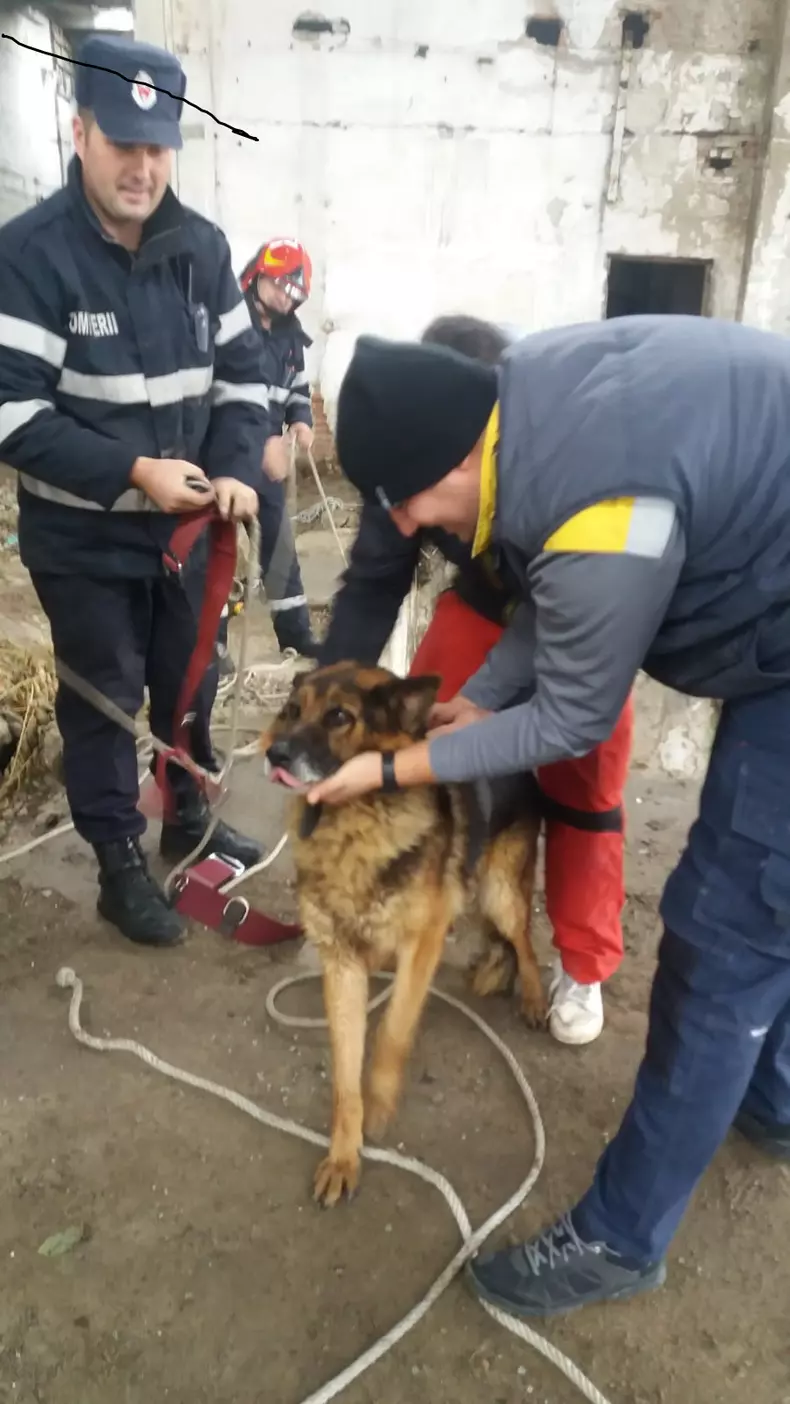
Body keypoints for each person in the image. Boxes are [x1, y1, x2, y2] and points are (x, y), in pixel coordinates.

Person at [305, 318, 790, 1318]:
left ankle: (621, 1238)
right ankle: (774, 1095)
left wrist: (400, 767)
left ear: (452, 460)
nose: (400, 529)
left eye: (404, 504)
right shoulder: (526, 404)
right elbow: (550, 611)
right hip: (770, 590)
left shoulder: (599, 505)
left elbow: (571, 713)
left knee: (731, 918)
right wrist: (477, 697)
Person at [0, 35, 271, 948]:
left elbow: (244, 374)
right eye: (124, 144)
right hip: (83, 540)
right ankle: (118, 859)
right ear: (81, 132)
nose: (143, 167)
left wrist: (233, 463)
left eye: (158, 147)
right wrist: (133, 472)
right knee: (106, 695)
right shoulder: (30, 256)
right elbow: (9, 415)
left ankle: (188, 820)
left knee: (189, 682)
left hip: (187, 534)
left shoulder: (203, 247)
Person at [320, 313, 633, 1044]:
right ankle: (412, 904)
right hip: (485, 602)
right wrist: (325, 709)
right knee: (419, 739)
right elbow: (371, 588)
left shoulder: (559, 449)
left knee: (586, 778)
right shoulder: (409, 451)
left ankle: (582, 961)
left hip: (585, 606)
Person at [213, 237, 319, 687]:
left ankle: (294, 635)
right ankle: (211, 648)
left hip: (268, 458)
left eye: (294, 293)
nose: (285, 298)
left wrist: (301, 419)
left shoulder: (290, 335)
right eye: (280, 287)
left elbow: (295, 386)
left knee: (279, 548)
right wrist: (260, 443)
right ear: (257, 275)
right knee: (215, 554)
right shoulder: (226, 321)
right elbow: (225, 395)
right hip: (221, 458)